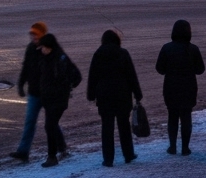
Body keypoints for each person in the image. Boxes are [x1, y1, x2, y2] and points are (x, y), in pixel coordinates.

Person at [87, 29, 143, 167]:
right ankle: (128, 154)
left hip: (104, 96)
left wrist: (91, 94)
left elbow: (92, 77)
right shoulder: (123, 53)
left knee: (107, 127)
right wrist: (137, 94)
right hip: (122, 95)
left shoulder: (98, 54)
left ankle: (108, 159)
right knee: (124, 125)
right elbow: (131, 76)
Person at [155, 19, 205, 156]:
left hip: (171, 87)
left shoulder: (166, 48)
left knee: (172, 117)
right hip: (189, 87)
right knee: (186, 118)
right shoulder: (193, 49)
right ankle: (185, 148)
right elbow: (201, 69)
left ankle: (172, 146)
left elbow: (159, 68)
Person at [37, 33, 82, 168]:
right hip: (48, 99)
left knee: (49, 125)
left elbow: (77, 76)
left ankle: (52, 156)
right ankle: (61, 148)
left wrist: (66, 89)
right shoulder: (46, 57)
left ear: (50, 47)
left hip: (58, 100)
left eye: (44, 47)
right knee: (52, 124)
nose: (42, 49)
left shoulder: (60, 59)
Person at [11, 22, 49, 162]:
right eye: (32, 35)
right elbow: (25, 68)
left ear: (42, 35)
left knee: (52, 123)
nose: (33, 37)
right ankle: (23, 152)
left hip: (47, 93)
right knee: (30, 122)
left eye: (36, 35)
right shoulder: (30, 49)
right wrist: (21, 84)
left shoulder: (49, 49)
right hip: (34, 93)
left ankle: (62, 146)